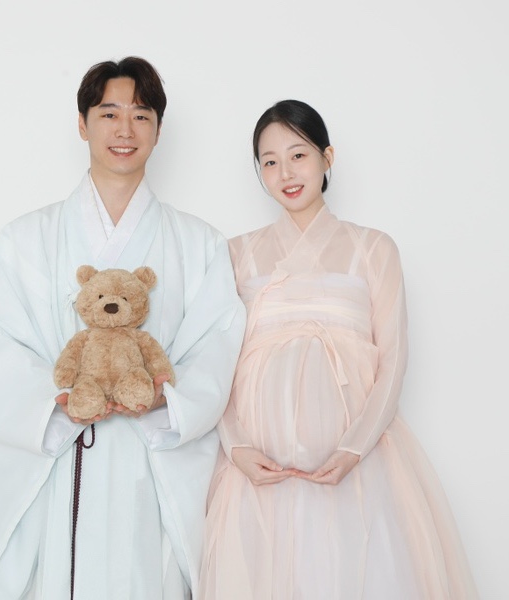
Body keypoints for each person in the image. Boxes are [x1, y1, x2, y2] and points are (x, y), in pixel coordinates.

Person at [0, 56, 246, 600]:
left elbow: (218, 343)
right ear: (82, 123)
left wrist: (168, 399)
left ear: (159, 129)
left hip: (149, 464)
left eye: (141, 116)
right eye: (109, 113)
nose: (124, 130)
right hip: (65, 460)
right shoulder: (25, 240)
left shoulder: (199, 244)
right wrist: (54, 403)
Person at [199, 99, 479, 599]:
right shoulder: (236, 254)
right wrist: (236, 445)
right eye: (269, 161)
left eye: (298, 155)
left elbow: (393, 358)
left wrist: (354, 447)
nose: (286, 173)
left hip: (359, 467)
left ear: (327, 157)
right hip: (259, 471)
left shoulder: (373, 248)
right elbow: (215, 362)